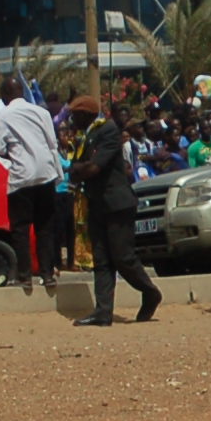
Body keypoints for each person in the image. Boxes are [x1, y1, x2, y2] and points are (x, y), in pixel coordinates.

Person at [68, 94, 159, 327]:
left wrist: (80, 169)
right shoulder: (86, 135)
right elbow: (76, 170)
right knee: (101, 260)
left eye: (74, 115)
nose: (71, 120)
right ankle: (103, 312)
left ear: (85, 115)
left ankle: (150, 291)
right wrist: (79, 169)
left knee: (123, 257)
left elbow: (94, 168)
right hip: (96, 203)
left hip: (118, 204)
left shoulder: (107, 131)